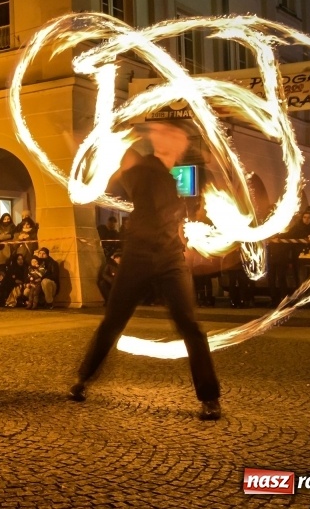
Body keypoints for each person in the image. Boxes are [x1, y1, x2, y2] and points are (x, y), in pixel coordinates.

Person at [68, 121, 222, 421]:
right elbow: (116, 155)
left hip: (169, 260)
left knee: (190, 326)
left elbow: (175, 223)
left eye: (174, 135)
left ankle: (210, 398)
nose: (168, 139)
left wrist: (189, 241)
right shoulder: (142, 167)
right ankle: (83, 379)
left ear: (180, 145)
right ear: (156, 140)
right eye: (163, 133)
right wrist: (89, 143)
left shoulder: (171, 180)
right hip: (138, 257)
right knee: (113, 321)